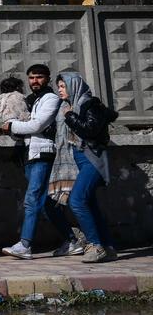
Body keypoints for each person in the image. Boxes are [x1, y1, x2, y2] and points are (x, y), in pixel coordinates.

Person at [1, 64, 77, 260]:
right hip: (30, 154)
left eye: (39, 77)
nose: (35, 81)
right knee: (46, 204)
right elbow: (28, 128)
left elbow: (37, 125)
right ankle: (72, 241)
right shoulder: (34, 100)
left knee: (32, 198)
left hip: (43, 154)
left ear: (47, 78)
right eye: (32, 77)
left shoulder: (50, 99)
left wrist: (12, 125)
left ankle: (25, 245)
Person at [50, 71, 118, 264]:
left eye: (63, 86)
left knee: (77, 201)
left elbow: (90, 129)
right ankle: (108, 247)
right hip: (80, 160)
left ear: (74, 86)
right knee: (90, 204)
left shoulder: (89, 105)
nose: (60, 90)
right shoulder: (68, 106)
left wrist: (70, 116)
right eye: (59, 86)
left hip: (92, 159)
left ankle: (95, 246)